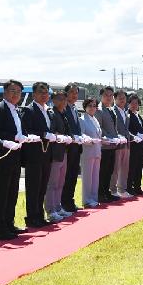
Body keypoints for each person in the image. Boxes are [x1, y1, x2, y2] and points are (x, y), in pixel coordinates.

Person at [0, 79, 27, 241]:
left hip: (16, 157)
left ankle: (9, 223)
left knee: (12, 193)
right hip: (3, 158)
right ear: (4, 92)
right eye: (12, 91)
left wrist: (24, 137)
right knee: (2, 194)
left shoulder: (17, 110)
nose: (15, 94)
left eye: (18, 91)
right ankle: (1, 228)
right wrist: (13, 137)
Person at [21, 81, 56, 228]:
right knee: (33, 188)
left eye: (46, 92)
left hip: (46, 154)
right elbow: (26, 130)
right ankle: (32, 217)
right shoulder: (29, 110)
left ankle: (39, 215)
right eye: (41, 92)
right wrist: (44, 134)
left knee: (42, 187)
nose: (44, 95)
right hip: (34, 155)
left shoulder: (48, 110)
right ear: (34, 94)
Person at [44, 90, 74, 223]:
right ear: (53, 100)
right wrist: (62, 137)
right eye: (59, 99)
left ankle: (58, 206)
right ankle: (51, 210)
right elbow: (52, 131)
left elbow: (67, 130)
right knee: (53, 183)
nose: (63, 102)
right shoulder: (52, 113)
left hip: (64, 151)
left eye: (64, 99)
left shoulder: (63, 114)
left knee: (61, 182)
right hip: (55, 152)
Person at [94, 86, 120, 203]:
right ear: (101, 96)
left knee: (109, 170)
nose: (109, 98)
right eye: (106, 95)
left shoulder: (110, 109)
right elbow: (99, 128)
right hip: (104, 146)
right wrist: (110, 137)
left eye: (111, 95)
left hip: (112, 145)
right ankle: (101, 194)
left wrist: (117, 137)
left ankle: (106, 192)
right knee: (103, 171)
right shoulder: (99, 110)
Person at [61, 83, 83, 213]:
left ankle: (70, 201)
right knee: (66, 176)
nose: (74, 95)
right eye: (72, 92)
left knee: (73, 175)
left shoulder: (74, 108)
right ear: (66, 94)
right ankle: (64, 203)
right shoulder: (63, 108)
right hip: (67, 147)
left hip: (76, 147)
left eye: (76, 93)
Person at [79, 97, 102, 208]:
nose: (92, 108)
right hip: (87, 151)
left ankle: (94, 198)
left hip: (97, 151)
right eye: (90, 105)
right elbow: (81, 134)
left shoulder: (95, 119)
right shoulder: (82, 119)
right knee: (87, 177)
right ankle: (87, 200)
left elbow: (98, 134)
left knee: (95, 177)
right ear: (85, 107)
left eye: (94, 106)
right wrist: (90, 139)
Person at [111, 89, 132, 198]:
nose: (122, 100)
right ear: (115, 99)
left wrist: (132, 137)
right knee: (115, 168)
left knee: (124, 168)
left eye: (124, 98)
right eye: (120, 98)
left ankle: (122, 190)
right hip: (117, 144)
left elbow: (126, 128)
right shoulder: (113, 111)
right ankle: (113, 190)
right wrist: (118, 136)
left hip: (127, 143)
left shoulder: (126, 111)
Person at [126, 93, 143, 195]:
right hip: (133, 145)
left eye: (136, 103)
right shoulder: (127, 115)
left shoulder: (138, 115)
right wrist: (136, 135)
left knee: (140, 166)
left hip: (141, 145)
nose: (134, 105)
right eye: (132, 103)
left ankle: (138, 187)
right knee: (132, 167)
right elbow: (127, 130)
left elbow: (142, 128)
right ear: (129, 104)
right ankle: (129, 188)